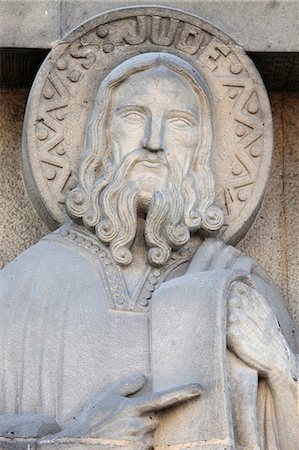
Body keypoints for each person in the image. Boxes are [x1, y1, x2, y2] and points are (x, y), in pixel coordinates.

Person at [0, 53, 297, 449]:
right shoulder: (23, 288)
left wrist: (280, 372)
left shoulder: (241, 290)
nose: (153, 142)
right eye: (134, 116)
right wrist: (75, 441)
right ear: (102, 133)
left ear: (200, 147)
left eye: (178, 123)